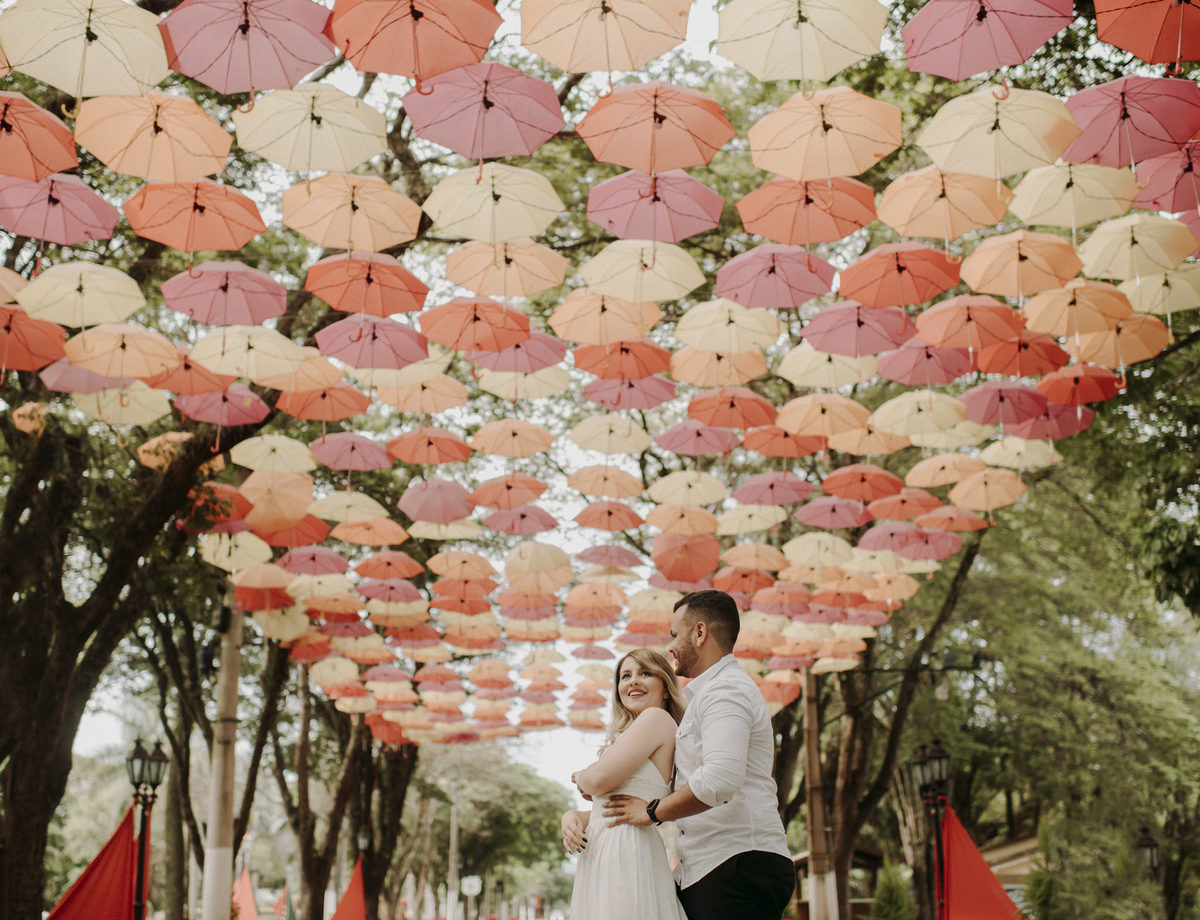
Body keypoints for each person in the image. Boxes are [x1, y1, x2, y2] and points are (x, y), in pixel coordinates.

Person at [604, 589, 795, 920]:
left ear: (700, 632)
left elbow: (720, 778)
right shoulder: (701, 696)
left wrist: (652, 813)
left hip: (736, 863)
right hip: (709, 868)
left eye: (675, 635)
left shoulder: (726, 691)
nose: (671, 646)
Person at [560, 648, 689, 920]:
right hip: (607, 847)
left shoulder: (656, 718)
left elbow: (597, 780)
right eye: (625, 676)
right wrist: (573, 816)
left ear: (665, 688)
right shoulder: (632, 733)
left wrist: (580, 775)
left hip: (625, 850)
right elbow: (613, 808)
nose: (633, 681)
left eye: (645, 673)